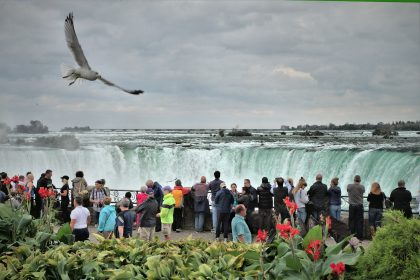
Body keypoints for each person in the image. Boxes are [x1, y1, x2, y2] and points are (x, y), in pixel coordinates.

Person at [347, 175, 366, 239]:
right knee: (359, 221)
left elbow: (348, 190)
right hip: (359, 206)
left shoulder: (349, 186)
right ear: (360, 180)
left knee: (351, 221)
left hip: (352, 206)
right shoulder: (362, 187)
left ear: (354, 179)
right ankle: (359, 236)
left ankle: (351, 235)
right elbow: (363, 192)